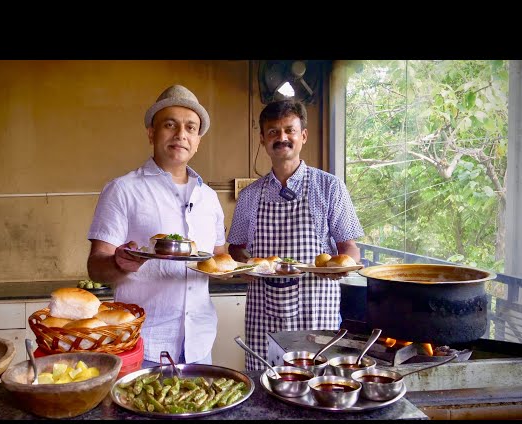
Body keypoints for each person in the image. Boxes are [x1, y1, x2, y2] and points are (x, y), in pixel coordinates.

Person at [86, 84, 226, 368]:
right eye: (170, 125)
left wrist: (249, 269)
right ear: (152, 132)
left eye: (190, 128)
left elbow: (219, 259)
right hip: (143, 344)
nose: (181, 135)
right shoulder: (123, 190)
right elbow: (95, 268)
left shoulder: (209, 198)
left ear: (198, 139)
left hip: (200, 342)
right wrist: (120, 262)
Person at [227, 99, 364, 370]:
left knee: (321, 385)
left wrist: (342, 266)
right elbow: (235, 249)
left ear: (303, 136)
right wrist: (247, 265)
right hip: (263, 313)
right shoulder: (249, 196)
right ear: (263, 140)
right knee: (267, 386)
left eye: (289, 130)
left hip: (317, 311)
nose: (282, 138)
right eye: (273, 132)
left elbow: (350, 248)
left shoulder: (329, 187)